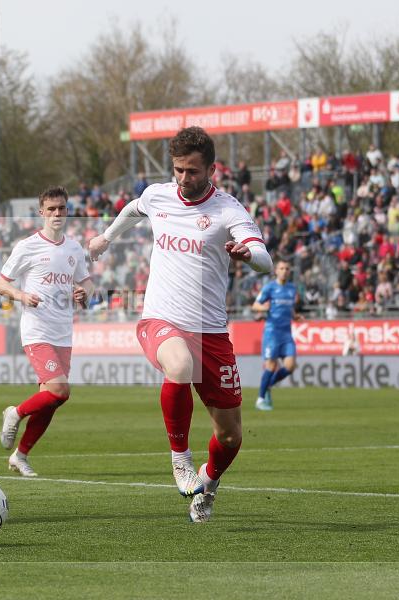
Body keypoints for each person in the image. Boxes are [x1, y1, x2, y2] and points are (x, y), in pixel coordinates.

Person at [88, 127, 272, 523]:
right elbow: (134, 209)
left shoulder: (228, 210)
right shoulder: (159, 195)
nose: (183, 179)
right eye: (178, 171)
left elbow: (264, 258)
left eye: (191, 171)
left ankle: (208, 482)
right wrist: (106, 238)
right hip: (161, 318)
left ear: (211, 169)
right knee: (179, 366)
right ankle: (180, 459)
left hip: (211, 332)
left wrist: (248, 254)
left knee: (230, 436)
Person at [0, 186, 93, 477]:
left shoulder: (74, 248)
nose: (57, 214)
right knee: (60, 391)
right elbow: (1, 284)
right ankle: (14, 413)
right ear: (41, 213)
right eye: (51, 209)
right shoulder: (28, 247)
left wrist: (82, 293)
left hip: (63, 331)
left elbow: (87, 283)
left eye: (61, 208)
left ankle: (20, 456)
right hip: (37, 329)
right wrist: (22, 296)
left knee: (49, 402)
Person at [251, 260, 301, 411]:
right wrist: (263, 307)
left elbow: (289, 307)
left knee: (290, 366)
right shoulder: (269, 287)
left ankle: (268, 386)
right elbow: (255, 305)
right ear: (276, 271)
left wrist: (295, 316)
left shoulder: (292, 288)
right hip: (272, 332)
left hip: (286, 333)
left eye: (287, 268)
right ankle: (260, 399)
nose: (285, 270)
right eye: (282, 268)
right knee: (271, 366)